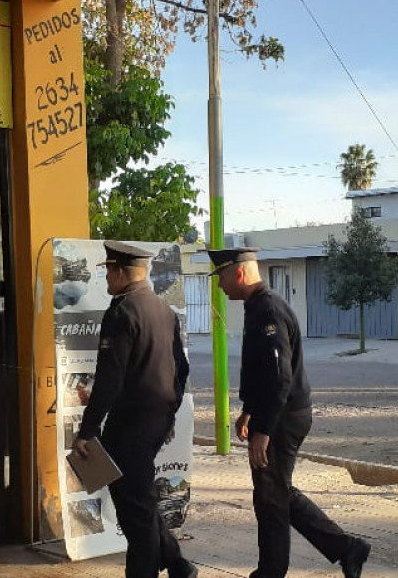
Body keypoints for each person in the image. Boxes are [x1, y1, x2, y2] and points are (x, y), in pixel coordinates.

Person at [207, 247, 371, 578]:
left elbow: (279, 378)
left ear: (238, 273)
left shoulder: (268, 312)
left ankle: (271, 572)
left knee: (269, 499)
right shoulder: (258, 307)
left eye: (222, 276)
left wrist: (263, 432)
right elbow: (262, 374)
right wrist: (248, 412)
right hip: (274, 413)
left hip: (282, 417)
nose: (220, 285)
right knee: (276, 491)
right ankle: (346, 548)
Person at [72, 240, 195, 578]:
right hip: (153, 425)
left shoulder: (122, 311)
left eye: (109, 271)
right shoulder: (164, 311)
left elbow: (112, 378)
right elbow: (179, 370)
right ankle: (179, 565)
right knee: (140, 500)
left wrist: (87, 431)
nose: (107, 279)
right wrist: (167, 415)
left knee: (136, 515)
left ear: (123, 272)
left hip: (129, 430)